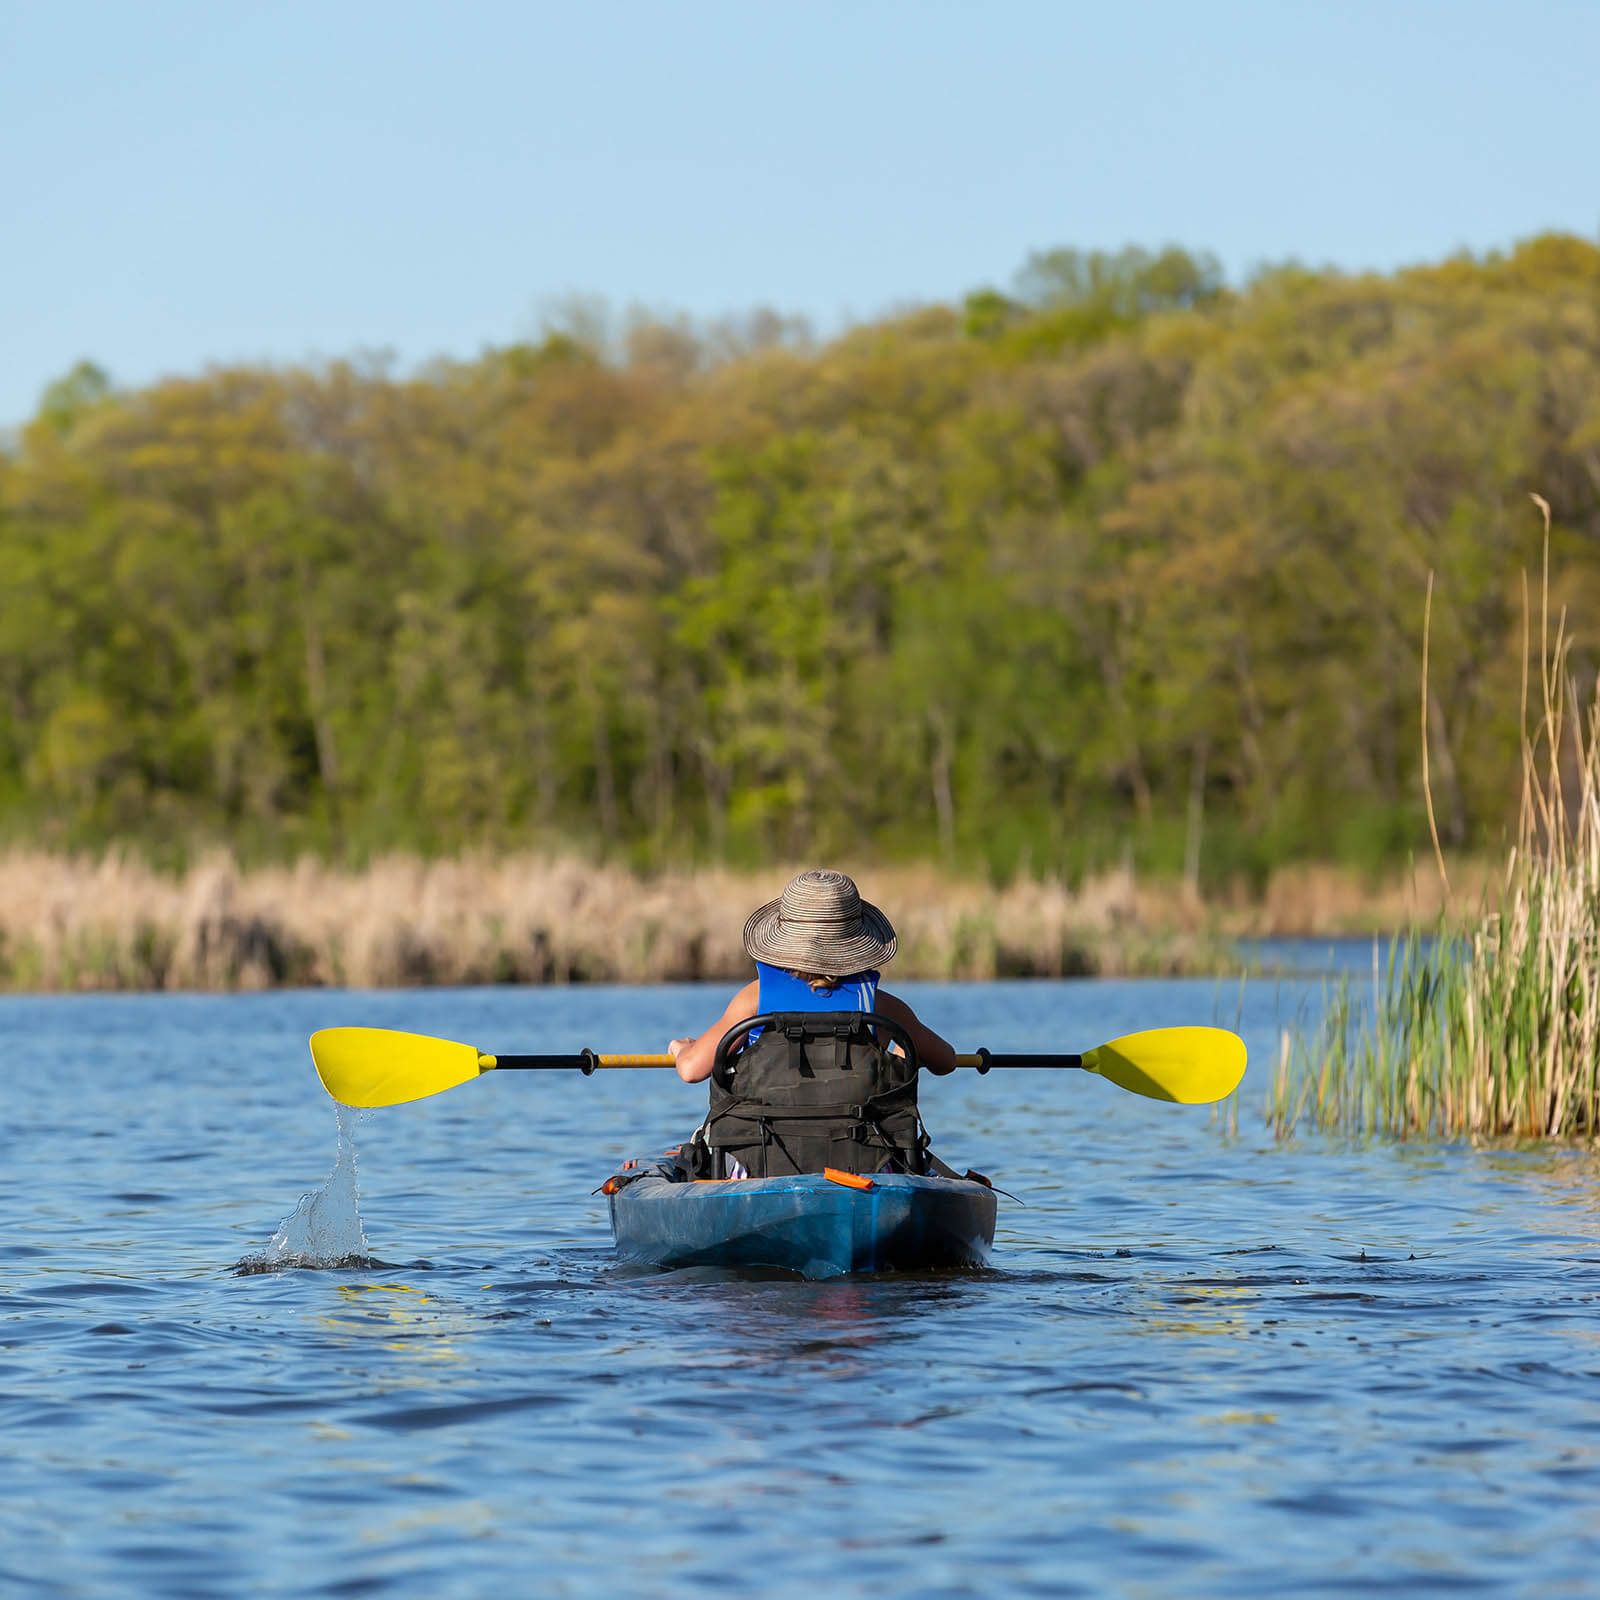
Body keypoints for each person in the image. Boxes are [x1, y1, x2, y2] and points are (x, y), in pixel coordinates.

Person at [668, 868, 957, 1080]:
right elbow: (945, 1061)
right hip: (861, 1151)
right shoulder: (880, 1007)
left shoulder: (754, 999)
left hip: (766, 1152)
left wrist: (681, 1050)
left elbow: (692, 1071)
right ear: (854, 941)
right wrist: (897, 1057)